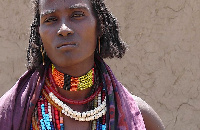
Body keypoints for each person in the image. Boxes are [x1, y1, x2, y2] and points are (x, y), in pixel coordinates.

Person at [0, 0, 165, 129]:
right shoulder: (10, 114)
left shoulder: (139, 117)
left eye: (77, 15)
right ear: (39, 33)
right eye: (51, 19)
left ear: (99, 24)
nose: (64, 29)